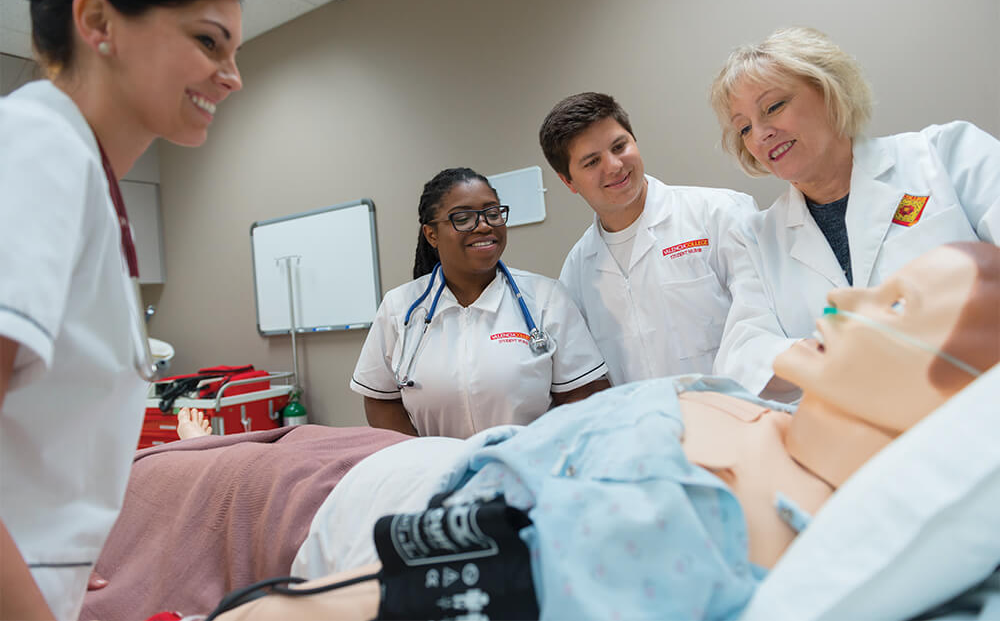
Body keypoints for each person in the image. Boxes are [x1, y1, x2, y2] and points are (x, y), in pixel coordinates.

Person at [82, 243, 999, 621]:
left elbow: (308, 606)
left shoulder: (681, 520)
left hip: (324, 508)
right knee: (163, 458)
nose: (842, 297)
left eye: (898, 302)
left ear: (958, 405)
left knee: (109, 507)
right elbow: (378, 395)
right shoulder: (777, 416)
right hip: (385, 454)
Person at [0, 0, 243, 618]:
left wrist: (51, 553)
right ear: (98, 22)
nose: (233, 76)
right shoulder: (39, 147)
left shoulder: (86, 176)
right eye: (208, 40)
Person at [709, 26, 1000, 399]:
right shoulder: (756, 238)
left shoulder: (946, 154)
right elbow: (741, 354)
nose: (761, 133)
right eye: (744, 128)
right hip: (867, 439)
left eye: (773, 106)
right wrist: (835, 353)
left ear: (831, 91)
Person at [350, 167, 610, 438]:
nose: (484, 225)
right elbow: (380, 400)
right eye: (463, 218)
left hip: (527, 470)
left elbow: (584, 395)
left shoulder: (547, 298)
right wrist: (424, 459)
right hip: (438, 474)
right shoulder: (399, 308)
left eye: (493, 213)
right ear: (431, 234)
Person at [539, 92, 758, 386]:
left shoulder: (720, 214)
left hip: (741, 417)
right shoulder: (577, 271)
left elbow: (765, 327)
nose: (614, 165)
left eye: (620, 146)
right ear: (568, 181)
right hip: (646, 428)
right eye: (592, 162)